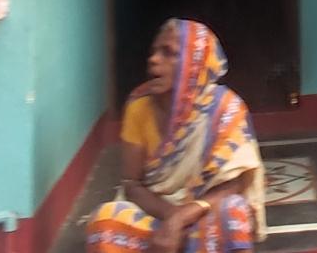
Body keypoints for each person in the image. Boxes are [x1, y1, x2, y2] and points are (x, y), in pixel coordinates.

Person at [86, 19, 267, 253]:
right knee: (105, 222)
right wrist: (172, 219)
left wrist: (183, 217)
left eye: (168, 52)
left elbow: (235, 183)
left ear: (194, 63)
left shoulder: (225, 109)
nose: (153, 59)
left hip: (204, 214)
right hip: (156, 215)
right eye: (153, 52)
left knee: (233, 212)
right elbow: (132, 184)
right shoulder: (138, 107)